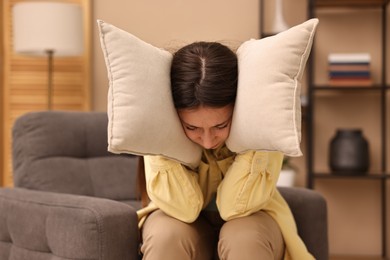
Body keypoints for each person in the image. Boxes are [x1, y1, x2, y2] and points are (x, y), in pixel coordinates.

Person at [136, 41, 313, 260]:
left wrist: (252, 138)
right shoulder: (159, 129)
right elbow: (183, 209)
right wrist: (161, 141)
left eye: (220, 126)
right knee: (167, 236)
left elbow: (233, 208)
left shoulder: (265, 126)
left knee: (243, 238)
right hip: (180, 220)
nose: (208, 142)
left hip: (252, 217)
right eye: (192, 127)